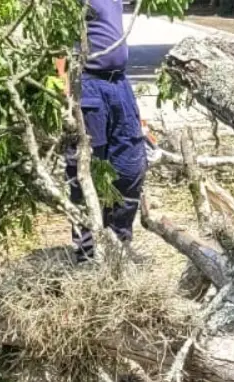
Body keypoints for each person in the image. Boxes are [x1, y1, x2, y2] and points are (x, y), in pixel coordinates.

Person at [54, 0, 148, 263]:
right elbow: (57, 41)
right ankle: (88, 254)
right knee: (85, 169)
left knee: (130, 167)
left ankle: (118, 246)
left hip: (119, 83)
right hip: (87, 85)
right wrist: (65, 93)